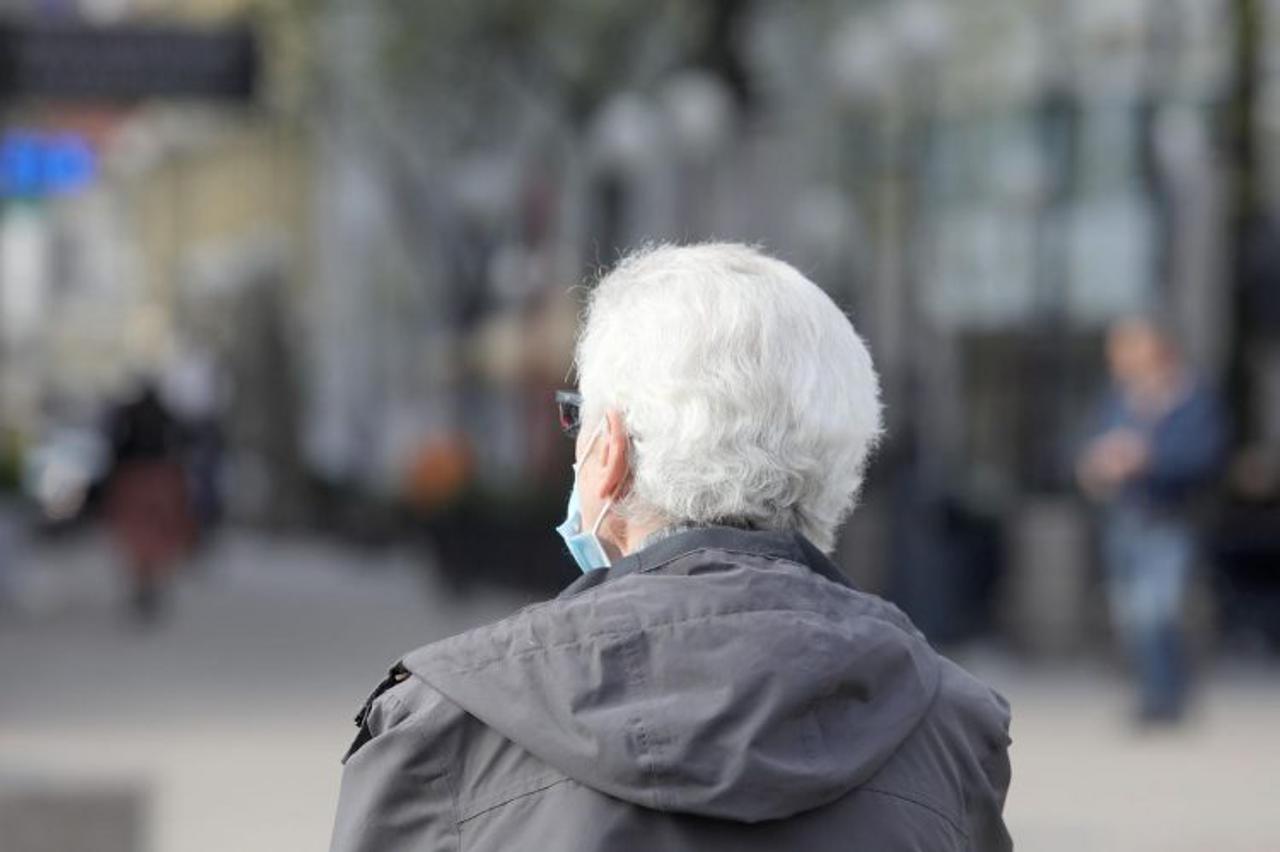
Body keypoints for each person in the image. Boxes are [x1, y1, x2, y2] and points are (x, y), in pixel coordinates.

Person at [330, 244, 1013, 851]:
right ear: (844, 468)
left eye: (577, 418)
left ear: (609, 452)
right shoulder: (950, 729)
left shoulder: (443, 727)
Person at [1077, 318, 1226, 725]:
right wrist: (1098, 464)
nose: (1118, 359)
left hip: (1169, 519)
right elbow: (1090, 447)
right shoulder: (1117, 400)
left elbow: (1204, 457)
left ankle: (1168, 697)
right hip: (1123, 518)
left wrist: (1147, 459)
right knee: (1130, 613)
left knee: (1160, 610)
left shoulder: (1190, 398)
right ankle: (1151, 695)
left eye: (1127, 349)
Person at [104, 379, 193, 622]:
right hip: (157, 477)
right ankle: (150, 584)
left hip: (136, 477)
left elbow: (115, 445)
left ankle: (144, 584)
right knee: (157, 536)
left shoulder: (130, 414)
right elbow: (185, 440)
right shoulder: (165, 415)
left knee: (139, 536)